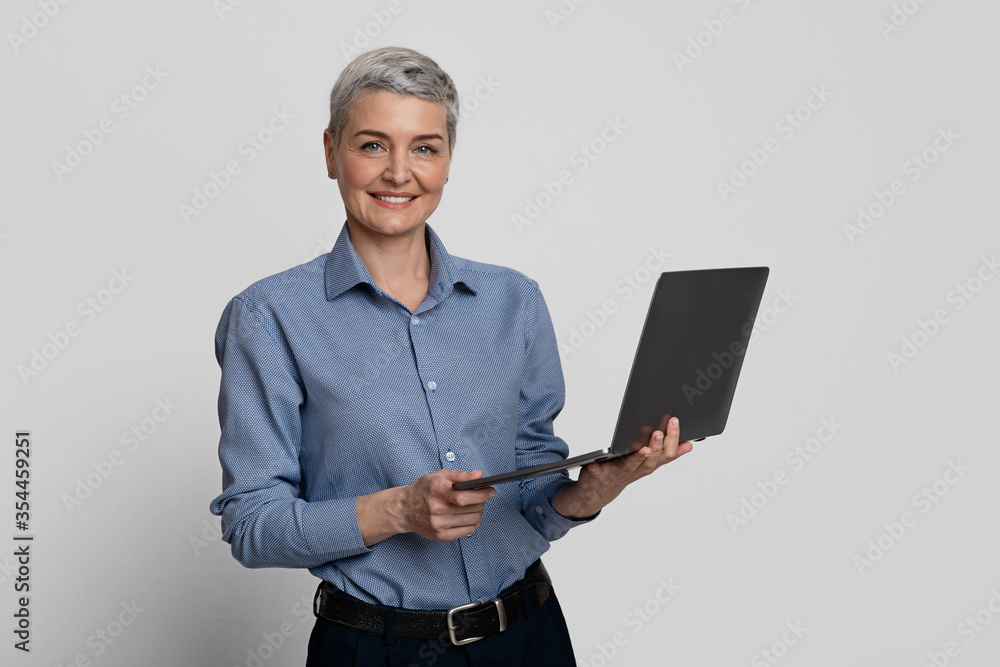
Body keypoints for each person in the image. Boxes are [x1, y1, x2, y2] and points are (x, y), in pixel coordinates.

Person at [209, 46, 692, 666]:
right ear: (331, 152)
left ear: (448, 160)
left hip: (529, 636)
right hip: (377, 651)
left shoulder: (513, 300)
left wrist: (593, 490)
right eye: (373, 145)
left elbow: (535, 493)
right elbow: (252, 526)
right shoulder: (270, 315)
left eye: (425, 147)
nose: (399, 173)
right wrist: (400, 510)